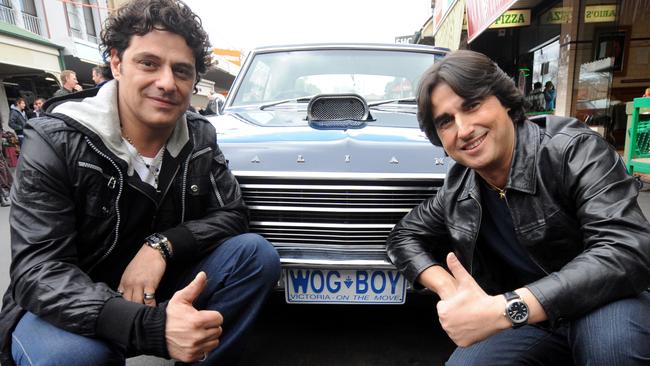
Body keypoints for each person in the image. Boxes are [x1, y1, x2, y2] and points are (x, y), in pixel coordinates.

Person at [0, 0, 281, 365]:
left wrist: (161, 246)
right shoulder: (56, 140)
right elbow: (37, 272)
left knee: (255, 254)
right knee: (74, 357)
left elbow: (232, 214)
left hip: (160, 287)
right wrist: (147, 326)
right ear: (116, 62)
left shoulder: (199, 136)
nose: (166, 82)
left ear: (195, 79)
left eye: (182, 70)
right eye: (149, 63)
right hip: (69, 307)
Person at [387, 50, 650, 365]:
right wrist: (450, 290)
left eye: (472, 105)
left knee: (614, 351)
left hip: (602, 304)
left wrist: (508, 308)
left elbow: (625, 247)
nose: (464, 129)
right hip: (528, 322)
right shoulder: (460, 187)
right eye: (446, 121)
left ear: (506, 101)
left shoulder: (571, 150)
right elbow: (404, 236)